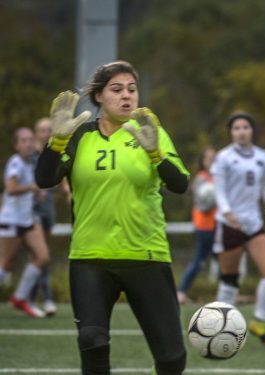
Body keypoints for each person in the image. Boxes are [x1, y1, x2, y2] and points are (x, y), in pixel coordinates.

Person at [35, 60, 189, 374]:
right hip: (91, 257)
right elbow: (44, 178)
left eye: (132, 89)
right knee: (92, 343)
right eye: (116, 90)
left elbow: (180, 183)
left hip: (146, 254)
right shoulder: (79, 136)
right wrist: (57, 141)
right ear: (99, 98)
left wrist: (155, 153)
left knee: (172, 358)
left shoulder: (151, 131)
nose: (127, 96)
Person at [212, 111, 265, 347]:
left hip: (254, 224)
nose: (241, 131)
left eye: (245, 127)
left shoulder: (263, 157)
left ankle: (258, 322)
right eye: (236, 128)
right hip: (230, 224)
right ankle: (219, 330)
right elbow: (219, 190)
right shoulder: (223, 158)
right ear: (231, 133)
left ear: (252, 131)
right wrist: (226, 211)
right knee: (229, 281)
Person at [0, 127, 51, 318]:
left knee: (43, 257)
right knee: (5, 264)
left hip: (26, 219)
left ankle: (20, 298)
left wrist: (36, 193)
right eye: (23, 140)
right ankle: (20, 299)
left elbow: (25, 189)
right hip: (11, 220)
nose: (28, 143)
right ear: (16, 145)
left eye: (30, 139)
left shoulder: (29, 163)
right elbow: (11, 188)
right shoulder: (15, 163)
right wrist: (33, 187)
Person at [177, 147, 217, 304]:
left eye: (215, 158)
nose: (212, 162)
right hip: (205, 227)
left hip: (218, 226)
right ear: (203, 161)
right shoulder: (201, 178)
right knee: (200, 261)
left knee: (222, 261)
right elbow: (204, 204)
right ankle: (181, 292)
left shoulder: (219, 177)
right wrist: (217, 194)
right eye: (209, 159)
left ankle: (228, 293)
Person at [29, 117, 60, 316]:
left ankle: (28, 299)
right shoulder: (27, 156)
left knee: (39, 258)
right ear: (36, 134)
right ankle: (46, 299)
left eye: (50, 130)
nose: (47, 133)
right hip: (29, 214)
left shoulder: (57, 154)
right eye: (43, 130)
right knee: (42, 256)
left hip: (48, 212)